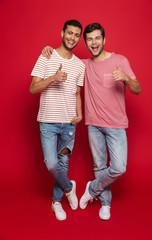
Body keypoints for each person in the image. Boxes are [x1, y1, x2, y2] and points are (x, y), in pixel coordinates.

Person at [42, 23, 141, 221]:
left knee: (119, 167)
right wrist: (49, 50)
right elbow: (66, 60)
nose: (93, 42)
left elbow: (137, 88)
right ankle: (105, 204)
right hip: (94, 125)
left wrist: (126, 79)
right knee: (100, 167)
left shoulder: (120, 60)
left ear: (104, 40)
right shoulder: (83, 64)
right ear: (86, 42)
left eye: (97, 38)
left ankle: (92, 188)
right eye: (89, 39)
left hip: (116, 125)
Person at [30, 19, 85, 221]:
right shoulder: (46, 56)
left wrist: (80, 114)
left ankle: (56, 202)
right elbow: (32, 89)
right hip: (48, 122)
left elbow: (77, 93)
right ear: (62, 33)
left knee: (62, 163)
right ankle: (69, 187)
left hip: (69, 124)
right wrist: (52, 78)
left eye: (76, 35)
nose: (72, 37)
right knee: (52, 164)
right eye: (69, 33)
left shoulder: (80, 65)